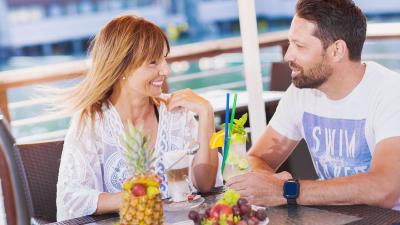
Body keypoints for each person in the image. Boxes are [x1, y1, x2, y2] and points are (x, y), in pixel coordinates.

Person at [227, 0, 400, 210]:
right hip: (336, 217)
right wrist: (268, 184)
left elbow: (385, 189)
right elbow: (256, 157)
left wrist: (286, 190)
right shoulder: (301, 93)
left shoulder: (390, 94)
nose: (287, 55)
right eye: (290, 43)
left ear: (337, 50)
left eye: (299, 46)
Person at [55, 15, 222, 221]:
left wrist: (206, 113)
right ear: (122, 67)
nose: (165, 70)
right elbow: (70, 198)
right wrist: (139, 197)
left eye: (164, 58)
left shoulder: (176, 112)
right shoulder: (91, 121)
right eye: (153, 62)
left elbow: (205, 184)